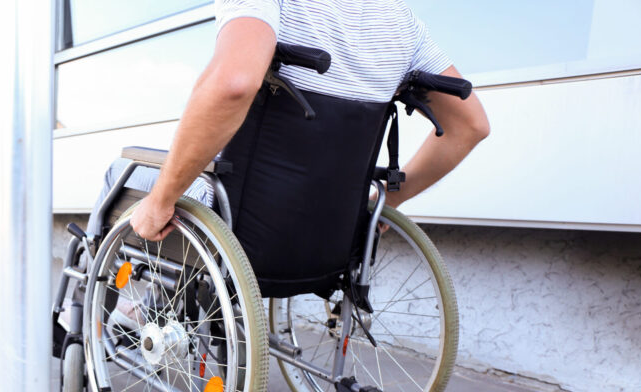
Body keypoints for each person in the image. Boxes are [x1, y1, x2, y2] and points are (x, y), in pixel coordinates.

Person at [128, 0, 490, 243]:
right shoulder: (401, 23)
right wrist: (384, 201)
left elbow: (234, 83)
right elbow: (470, 125)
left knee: (126, 173)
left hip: (237, 218)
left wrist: (160, 201)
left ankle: (103, 318)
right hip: (328, 232)